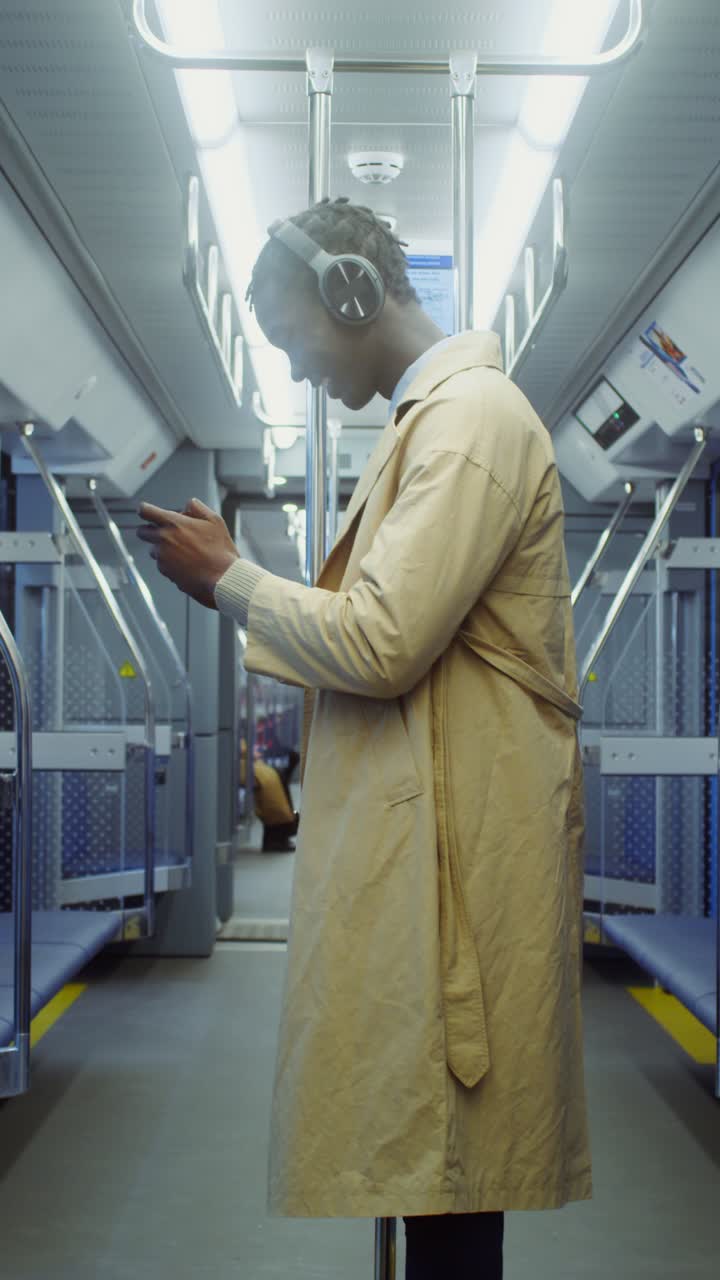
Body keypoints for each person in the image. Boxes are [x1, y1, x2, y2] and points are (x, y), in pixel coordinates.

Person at [137, 197, 591, 1280]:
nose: (298, 369)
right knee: (429, 1168)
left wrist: (231, 581)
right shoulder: (429, 426)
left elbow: (385, 639)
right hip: (430, 860)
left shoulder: (472, 422)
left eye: (297, 337)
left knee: (449, 1175)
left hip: (462, 871)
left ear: (352, 292)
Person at [239, 738, 300, 852]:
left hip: (253, 765)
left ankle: (278, 837)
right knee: (277, 782)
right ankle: (279, 837)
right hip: (250, 766)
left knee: (279, 778)